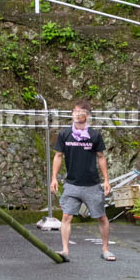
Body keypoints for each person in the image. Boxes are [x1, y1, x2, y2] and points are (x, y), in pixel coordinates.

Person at [50, 100, 114, 261]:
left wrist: (106, 180)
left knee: (101, 217)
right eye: (75, 111)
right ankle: (65, 250)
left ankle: (105, 249)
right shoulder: (65, 134)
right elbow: (58, 156)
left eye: (82, 112)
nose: (78, 114)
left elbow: (101, 157)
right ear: (72, 114)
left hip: (92, 184)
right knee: (66, 217)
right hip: (72, 183)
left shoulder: (94, 135)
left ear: (87, 115)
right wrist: (54, 178)